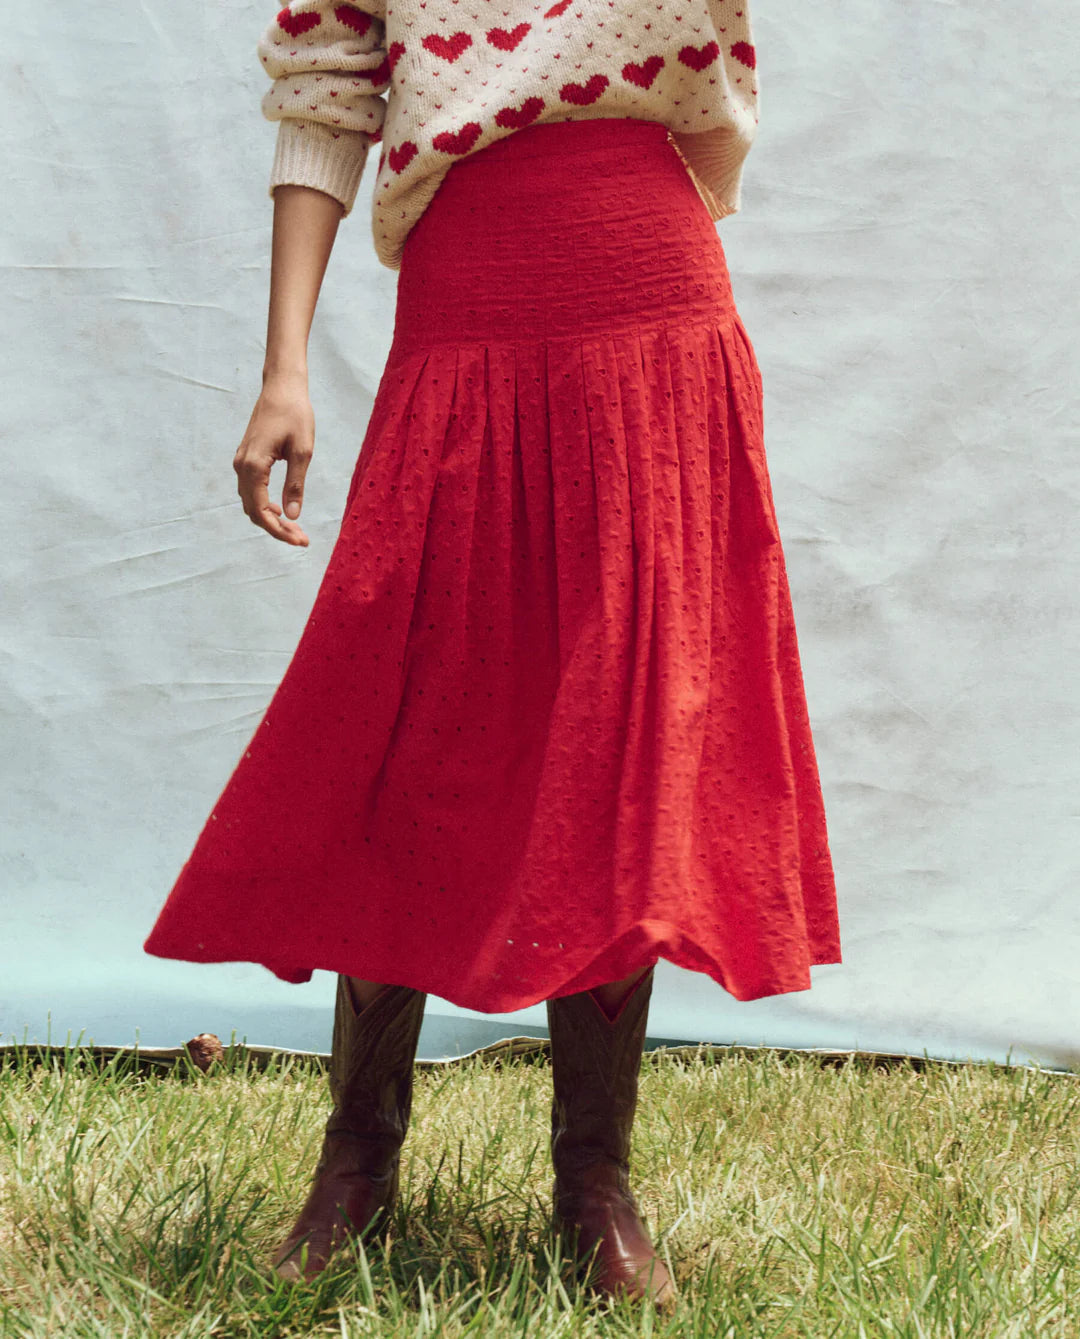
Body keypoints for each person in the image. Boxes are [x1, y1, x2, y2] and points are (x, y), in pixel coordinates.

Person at [143, 0, 843, 1310]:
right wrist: (283, 364)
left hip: (650, 286)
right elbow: (326, 86)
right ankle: (357, 1158)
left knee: (627, 731)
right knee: (415, 724)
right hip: (468, 296)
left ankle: (596, 1183)